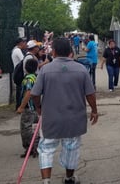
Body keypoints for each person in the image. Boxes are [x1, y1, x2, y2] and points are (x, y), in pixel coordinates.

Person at [31, 38, 98, 184]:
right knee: (71, 149)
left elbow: (35, 94)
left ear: (53, 52)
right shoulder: (81, 69)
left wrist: (39, 108)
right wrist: (94, 110)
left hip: (51, 118)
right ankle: (69, 178)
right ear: (70, 52)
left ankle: (46, 181)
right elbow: (90, 94)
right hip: (74, 119)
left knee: (46, 149)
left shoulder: (45, 70)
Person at [16, 59, 39, 158]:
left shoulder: (28, 79)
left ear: (25, 68)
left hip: (28, 107)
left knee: (26, 128)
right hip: (35, 107)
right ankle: (36, 147)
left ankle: (30, 148)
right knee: (34, 128)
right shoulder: (36, 77)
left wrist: (21, 107)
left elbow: (28, 93)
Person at [12, 37, 27, 110]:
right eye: (24, 42)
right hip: (19, 73)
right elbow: (24, 60)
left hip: (17, 72)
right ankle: (19, 106)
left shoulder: (15, 50)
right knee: (20, 90)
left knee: (20, 89)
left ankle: (19, 106)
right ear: (21, 43)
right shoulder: (17, 50)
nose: (25, 44)